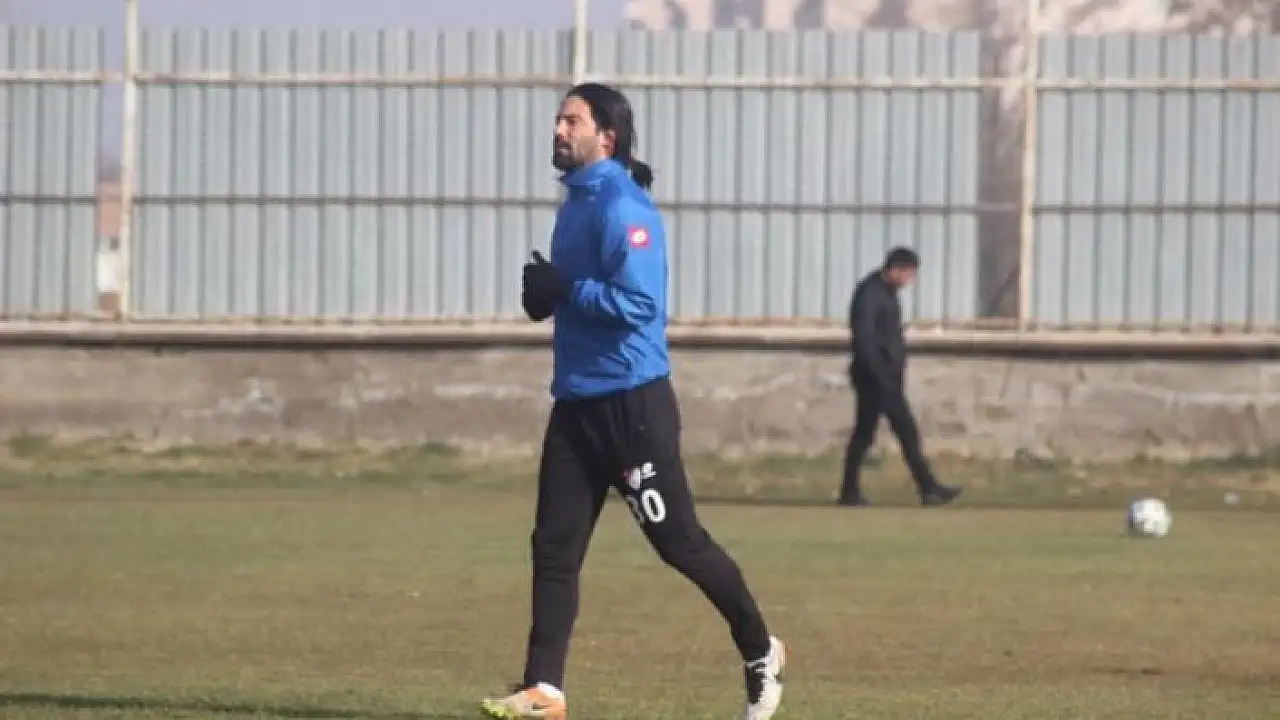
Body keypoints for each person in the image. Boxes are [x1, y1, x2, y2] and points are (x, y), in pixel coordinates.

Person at [480, 82, 786, 720]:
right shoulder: (575, 204)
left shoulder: (625, 208)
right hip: (575, 406)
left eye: (572, 121)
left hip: (632, 409)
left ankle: (760, 649)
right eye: (558, 119)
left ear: (606, 137)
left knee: (680, 543)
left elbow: (640, 306)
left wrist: (567, 289)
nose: (558, 129)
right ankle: (545, 690)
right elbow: (576, 295)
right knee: (554, 547)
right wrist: (544, 295)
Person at [838, 247, 963, 508]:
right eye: (908, 274)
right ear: (896, 269)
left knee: (866, 434)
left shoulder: (887, 293)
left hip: (887, 377)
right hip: (875, 378)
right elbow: (864, 338)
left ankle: (850, 491)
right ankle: (928, 488)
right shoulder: (870, 293)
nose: (910, 281)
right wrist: (880, 374)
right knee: (904, 430)